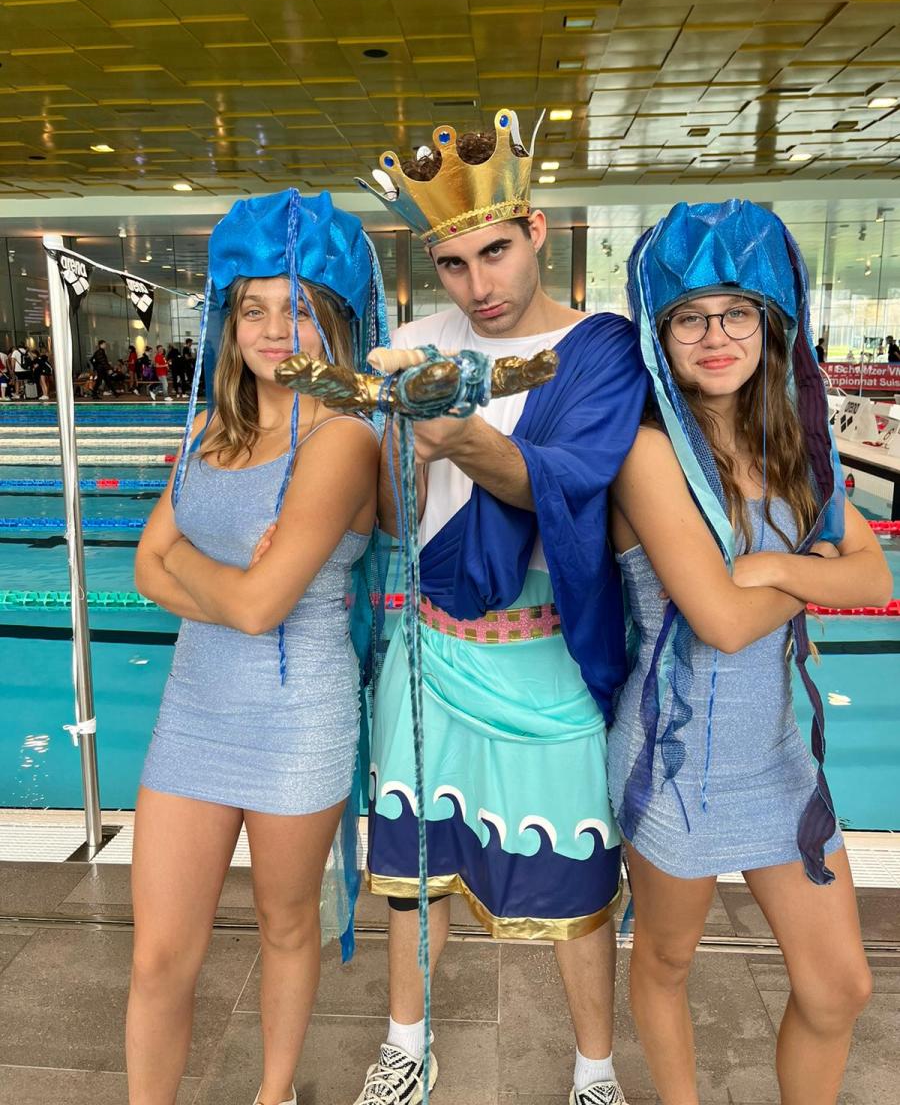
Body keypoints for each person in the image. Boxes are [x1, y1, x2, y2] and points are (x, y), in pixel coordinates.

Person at [354, 110, 646, 1105]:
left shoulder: (599, 349)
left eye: (495, 253)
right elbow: (391, 515)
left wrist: (454, 430)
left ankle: (595, 1070)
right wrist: (400, 445)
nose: (477, 285)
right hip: (431, 646)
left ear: (538, 233)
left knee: (578, 871)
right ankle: (405, 1046)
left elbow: (562, 481)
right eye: (452, 264)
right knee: (413, 862)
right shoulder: (413, 344)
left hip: (546, 650)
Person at [607, 200, 891, 1105]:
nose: (716, 336)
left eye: (737, 313)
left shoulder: (797, 446)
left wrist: (770, 566)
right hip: (674, 760)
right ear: (661, 337)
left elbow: (874, 574)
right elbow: (722, 623)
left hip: (775, 761)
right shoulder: (648, 454)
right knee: (666, 959)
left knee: (839, 987)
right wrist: (813, 571)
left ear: (771, 325)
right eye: (689, 318)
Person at [129, 189, 390, 1105]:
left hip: (296, 719)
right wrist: (229, 582)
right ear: (229, 324)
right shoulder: (212, 431)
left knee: (285, 925)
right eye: (255, 309)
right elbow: (145, 569)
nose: (277, 331)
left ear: (334, 323)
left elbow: (254, 606)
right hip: (193, 714)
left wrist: (202, 573)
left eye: (300, 309)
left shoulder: (345, 440)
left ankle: (273, 1096)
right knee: (159, 955)